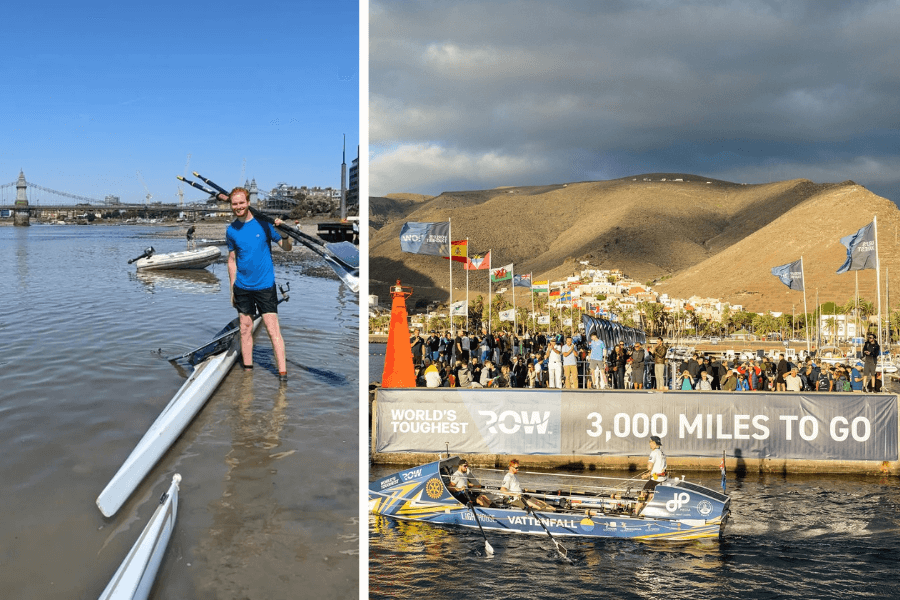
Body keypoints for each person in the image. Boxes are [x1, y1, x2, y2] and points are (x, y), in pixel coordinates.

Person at [225, 187, 292, 381]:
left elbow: (286, 248)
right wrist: (232, 289)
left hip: (264, 285)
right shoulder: (231, 230)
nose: (238, 207)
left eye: (241, 203)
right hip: (242, 287)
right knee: (245, 328)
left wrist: (285, 234)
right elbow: (231, 260)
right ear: (231, 206)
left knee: (273, 330)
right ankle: (248, 374)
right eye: (234, 204)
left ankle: (282, 375)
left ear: (248, 202)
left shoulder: (264, 224)